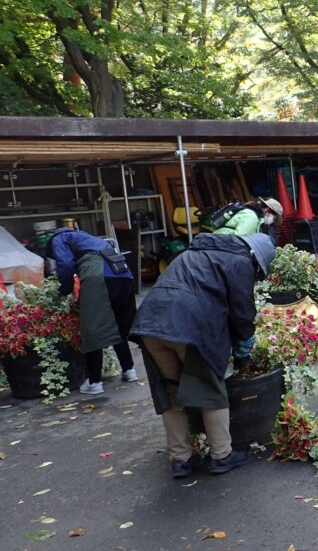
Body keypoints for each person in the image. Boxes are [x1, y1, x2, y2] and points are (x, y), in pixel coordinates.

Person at [130, 233, 276, 479]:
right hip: (189, 326)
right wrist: (243, 353)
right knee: (210, 389)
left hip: (150, 322)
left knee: (172, 389)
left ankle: (181, 459)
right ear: (256, 258)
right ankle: (222, 456)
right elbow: (242, 313)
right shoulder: (240, 262)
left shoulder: (193, 253)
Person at [46, 228, 137, 395]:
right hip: (124, 273)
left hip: (100, 275)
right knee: (117, 324)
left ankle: (94, 382)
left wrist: (64, 290)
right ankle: (129, 370)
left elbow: (65, 264)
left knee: (92, 327)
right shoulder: (85, 236)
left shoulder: (58, 238)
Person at [212, 197, 284, 238]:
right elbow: (240, 239)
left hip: (219, 243)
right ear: (267, 210)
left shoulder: (249, 212)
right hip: (222, 247)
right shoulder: (251, 217)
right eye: (274, 218)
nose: (272, 221)